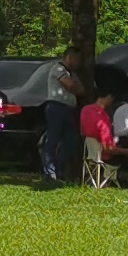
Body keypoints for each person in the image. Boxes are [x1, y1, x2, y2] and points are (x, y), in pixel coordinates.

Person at [39, 55, 84, 188]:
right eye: (76, 60)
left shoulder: (72, 73)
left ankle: (59, 169)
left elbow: (82, 91)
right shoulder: (57, 69)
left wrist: (75, 86)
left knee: (72, 140)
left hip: (69, 109)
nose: (78, 63)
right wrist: (74, 86)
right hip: (56, 107)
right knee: (53, 140)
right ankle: (49, 173)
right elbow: (70, 85)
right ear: (69, 57)